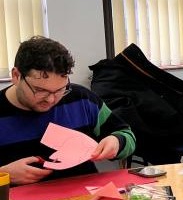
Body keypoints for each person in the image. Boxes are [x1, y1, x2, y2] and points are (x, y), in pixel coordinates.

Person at [0, 36, 136, 185]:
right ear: (16, 76)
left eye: (59, 90)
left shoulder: (82, 99)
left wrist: (117, 142)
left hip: (87, 199)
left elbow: (127, 135)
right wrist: (3, 175)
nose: (51, 100)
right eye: (40, 90)